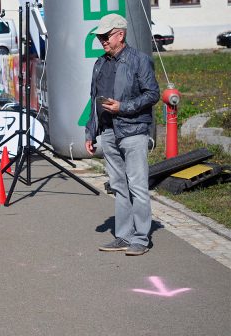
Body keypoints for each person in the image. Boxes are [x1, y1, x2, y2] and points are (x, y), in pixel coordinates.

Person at [84, 13, 159, 256]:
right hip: (108, 132)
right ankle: (124, 235)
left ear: (120, 34)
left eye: (106, 36)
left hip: (133, 130)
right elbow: (93, 100)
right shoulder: (100, 63)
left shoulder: (140, 60)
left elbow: (152, 94)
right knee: (118, 186)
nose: (102, 41)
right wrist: (90, 132)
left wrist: (122, 107)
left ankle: (141, 238)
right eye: (100, 37)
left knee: (137, 185)